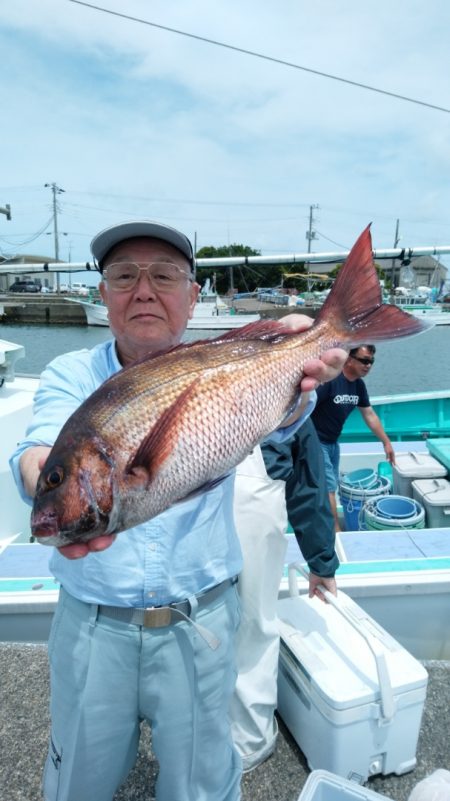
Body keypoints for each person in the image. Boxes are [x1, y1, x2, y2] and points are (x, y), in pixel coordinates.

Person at [9, 219, 347, 801]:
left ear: (193, 297)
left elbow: (278, 421)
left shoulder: (233, 357)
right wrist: (51, 481)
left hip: (203, 624)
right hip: (92, 625)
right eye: (123, 275)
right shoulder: (72, 376)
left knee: (201, 786)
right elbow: (38, 449)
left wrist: (304, 375)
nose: (143, 290)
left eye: (164, 276)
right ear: (102, 293)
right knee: (76, 784)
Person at [231, 418, 338, 772]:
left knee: (202, 624)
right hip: (252, 503)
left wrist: (321, 559)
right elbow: (308, 482)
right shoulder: (292, 389)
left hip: (197, 501)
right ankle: (250, 739)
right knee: (254, 624)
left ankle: (223, 737)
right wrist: (321, 562)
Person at [311, 344, 396, 532]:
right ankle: (335, 531)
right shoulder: (331, 381)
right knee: (329, 487)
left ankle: (328, 523)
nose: (368, 365)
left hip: (333, 442)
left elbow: (369, 414)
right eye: (364, 360)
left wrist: (386, 441)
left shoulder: (358, 385)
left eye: (371, 362)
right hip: (316, 441)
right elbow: (306, 408)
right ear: (349, 359)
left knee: (330, 483)